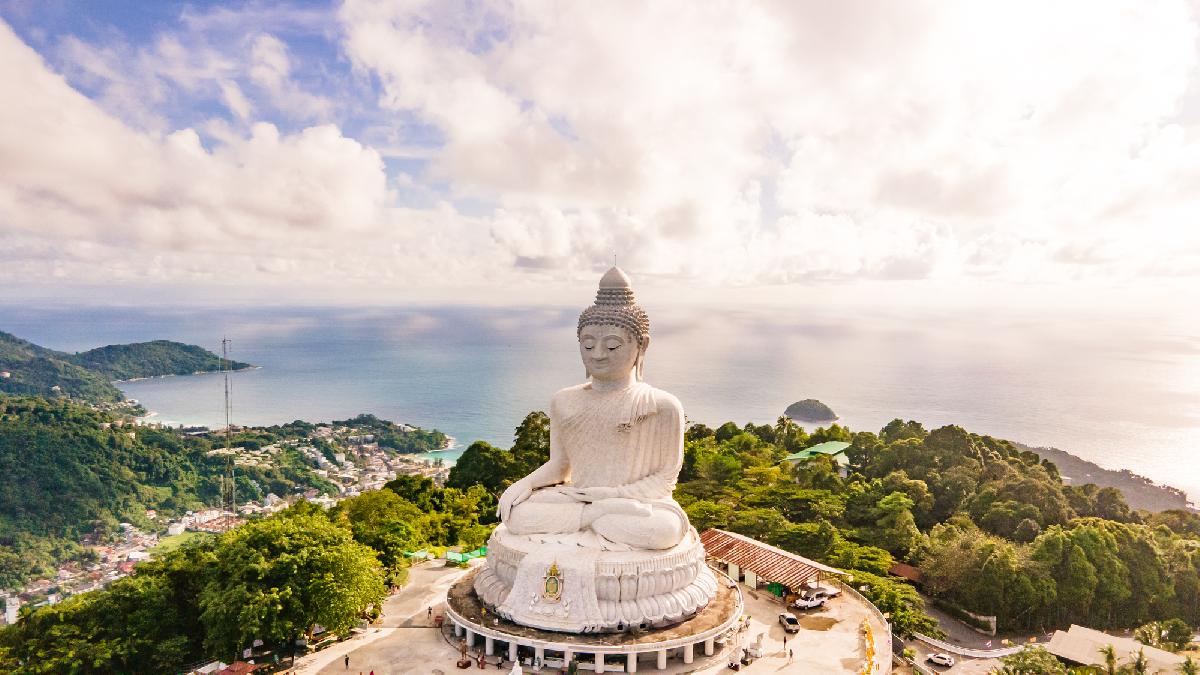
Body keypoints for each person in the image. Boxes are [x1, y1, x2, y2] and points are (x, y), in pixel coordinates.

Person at [496, 267, 689, 551]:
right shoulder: (563, 400)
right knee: (518, 514)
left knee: (664, 530)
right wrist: (523, 484)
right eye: (588, 345)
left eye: (612, 346)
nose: (597, 354)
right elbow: (560, 467)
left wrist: (613, 496)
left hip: (634, 503)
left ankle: (591, 518)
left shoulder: (662, 406)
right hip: (580, 497)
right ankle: (592, 518)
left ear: (642, 345)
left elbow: (664, 479)